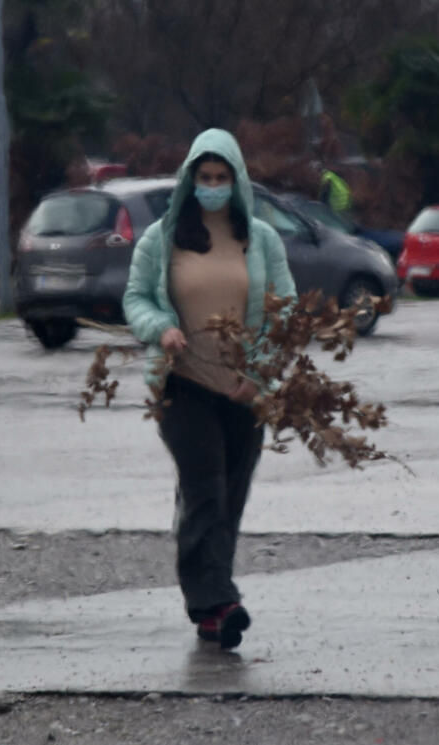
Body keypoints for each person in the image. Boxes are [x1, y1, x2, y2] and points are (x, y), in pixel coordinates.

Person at [123, 129, 296, 649]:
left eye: (222, 178)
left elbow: (282, 311)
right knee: (205, 488)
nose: (213, 186)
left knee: (230, 496)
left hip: (244, 392)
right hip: (183, 384)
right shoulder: (163, 237)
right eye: (205, 178)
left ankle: (211, 607)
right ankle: (218, 601)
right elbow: (135, 300)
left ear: (237, 180)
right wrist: (160, 328)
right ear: (190, 180)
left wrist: (259, 374)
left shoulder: (261, 239)